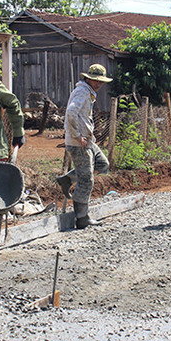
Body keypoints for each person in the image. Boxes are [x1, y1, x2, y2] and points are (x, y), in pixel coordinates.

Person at [55, 64, 113, 229]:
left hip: (87, 140)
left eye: (100, 81)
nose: (98, 84)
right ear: (88, 79)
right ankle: (82, 218)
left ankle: (68, 179)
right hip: (78, 142)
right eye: (95, 80)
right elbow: (71, 112)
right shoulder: (82, 92)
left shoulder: (87, 91)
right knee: (86, 180)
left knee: (102, 164)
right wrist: (77, 135)